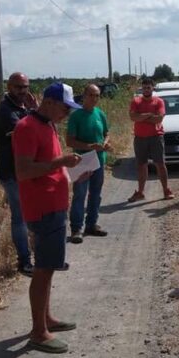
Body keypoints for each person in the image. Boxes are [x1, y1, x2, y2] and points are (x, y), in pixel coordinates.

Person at [13, 81, 83, 354]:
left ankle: (47, 319)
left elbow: (49, 165)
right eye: (65, 108)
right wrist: (61, 163)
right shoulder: (27, 128)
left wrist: (71, 171)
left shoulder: (47, 125)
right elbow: (24, 171)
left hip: (53, 207)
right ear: (50, 102)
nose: (67, 113)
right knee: (42, 269)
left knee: (50, 266)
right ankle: (38, 332)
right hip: (41, 209)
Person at [0, 72, 37, 277]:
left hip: (25, 170)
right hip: (11, 172)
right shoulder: (4, 110)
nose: (22, 91)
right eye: (18, 87)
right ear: (9, 87)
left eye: (25, 87)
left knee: (29, 214)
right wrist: (34, 113)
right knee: (20, 216)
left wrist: (33, 110)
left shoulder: (23, 108)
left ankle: (35, 253)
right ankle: (24, 260)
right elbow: (23, 132)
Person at [66, 84, 111, 243]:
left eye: (97, 95)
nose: (94, 99)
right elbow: (69, 140)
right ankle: (76, 229)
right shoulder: (76, 115)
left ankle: (91, 224)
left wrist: (105, 143)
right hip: (81, 161)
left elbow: (106, 133)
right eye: (91, 95)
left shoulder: (100, 113)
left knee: (96, 194)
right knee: (80, 194)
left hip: (99, 160)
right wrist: (89, 147)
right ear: (84, 96)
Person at [128, 77, 174, 202]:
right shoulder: (136, 101)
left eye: (149, 87)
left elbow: (159, 119)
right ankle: (140, 192)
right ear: (141, 88)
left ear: (153, 88)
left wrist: (141, 117)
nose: (146, 90)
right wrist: (149, 116)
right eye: (144, 88)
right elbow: (133, 117)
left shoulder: (159, 101)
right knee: (141, 165)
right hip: (140, 138)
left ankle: (166, 190)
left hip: (156, 137)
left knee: (160, 164)